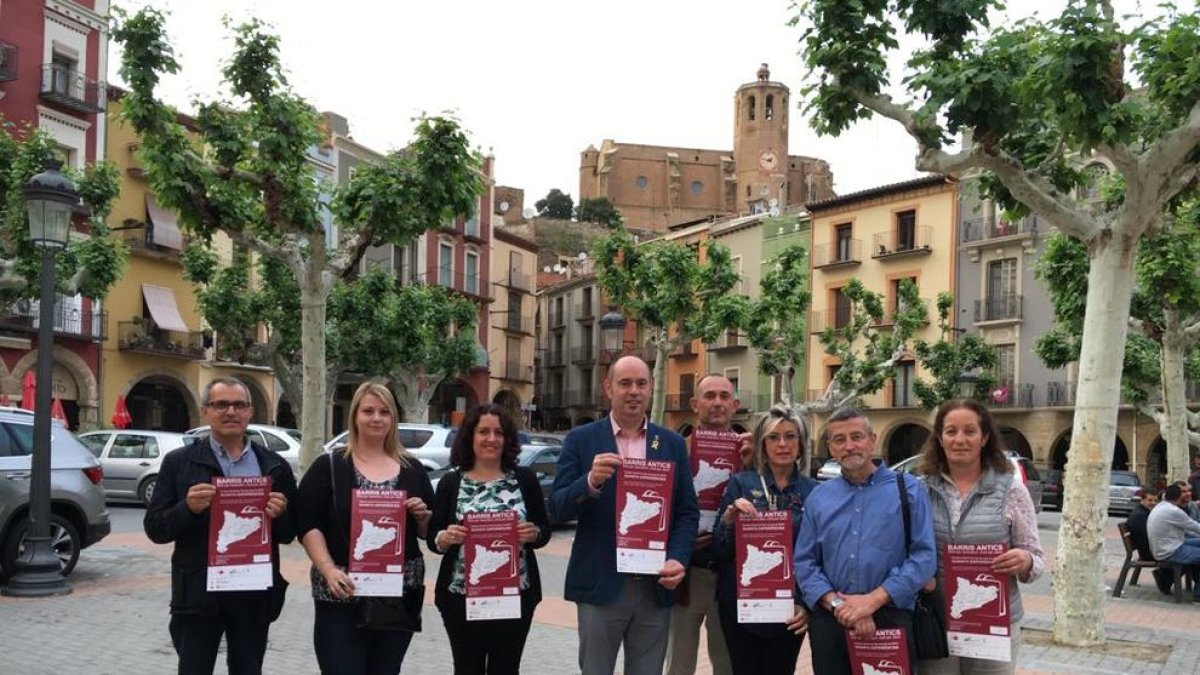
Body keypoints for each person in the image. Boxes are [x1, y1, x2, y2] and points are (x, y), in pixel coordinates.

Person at [549, 355, 700, 675]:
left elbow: (687, 512)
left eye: (641, 383)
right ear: (608, 388)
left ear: (651, 388)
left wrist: (678, 557)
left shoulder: (671, 444)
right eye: (625, 383)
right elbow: (557, 507)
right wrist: (590, 481)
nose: (634, 391)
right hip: (600, 584)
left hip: (655, 585)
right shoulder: (581, 439)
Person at [144, 377, 297, 675]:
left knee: (248, 669)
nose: (231, 412)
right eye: (221, 405)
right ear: (206, 411)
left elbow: (289, 533)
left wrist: (280, 515)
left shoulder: (274, 465)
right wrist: (187, 508)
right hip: (198, 593)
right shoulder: (179, 462)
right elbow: (155, 529)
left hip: (253, 592)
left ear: (250, 412)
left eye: (239, 405)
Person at [295, 381, 434, 674]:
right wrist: (328, 569)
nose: (376, 418)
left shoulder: (413, 469)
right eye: (368, 411)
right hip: (341, 590)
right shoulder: (329, 466)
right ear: (355, 416)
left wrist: (422, 517)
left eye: (384, 412)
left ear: (393, 418)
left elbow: (428, 533)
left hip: (397, 594)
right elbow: (307, 524)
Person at [793, 407, 936, 674]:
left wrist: (872, 601)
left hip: (890, 615)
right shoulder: (818, 498)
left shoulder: (909, 489)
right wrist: (842, 606)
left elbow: (924, 557)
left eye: (856, 437)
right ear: (830, 447)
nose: (849, 446)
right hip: (831, 620)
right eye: (839, 439)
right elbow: (804, 562)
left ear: (872, 440)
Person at [916, 399, 1045, 674]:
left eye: (970, 431)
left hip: (993, 626)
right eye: (951, 431)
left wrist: (1025, 561)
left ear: (985, 438)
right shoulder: (920, 491)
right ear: (939, 438)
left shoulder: (1011, 490)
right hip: (936, 620)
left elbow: (1036, 562)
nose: (959, 439)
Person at [428, 404, 552, 674]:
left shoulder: (524, 479)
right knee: (467, 668)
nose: (491, 439)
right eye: (483, 431)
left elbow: (544, 530)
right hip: (461, 597)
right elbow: (432, 535)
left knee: (506, 668)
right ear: (470, 436)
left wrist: (533, 533)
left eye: (499, 432)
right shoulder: (451, 482)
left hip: (514, 596)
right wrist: (445, 537)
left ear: (507, 439)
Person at [712, 405, 815, 673]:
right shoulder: (741, 484)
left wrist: (806, 604)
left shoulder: (814, 492)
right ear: (762, 444)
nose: (782, 444)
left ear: (801, 444)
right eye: (773, 437)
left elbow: (819, 556)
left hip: (790, 608)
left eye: (790, 436)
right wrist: (729, 522)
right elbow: (719, 550)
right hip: (742, 606)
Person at [664, 374, 738, 675]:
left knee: (728, 665)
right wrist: (679, 542)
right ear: (695, 404)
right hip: (687, 573)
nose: (717, 403)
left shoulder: (751, 453)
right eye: (709, 396)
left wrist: (750, 461)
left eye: (724, 396)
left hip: (729, 575)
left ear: (735, 405)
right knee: (679, 665)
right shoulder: (675, 451)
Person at [1147, 482, 1200, 601]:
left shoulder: (1161, 506)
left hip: (1167, 546)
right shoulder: (1174, 511)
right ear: (1179, 497)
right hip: (1170, 551)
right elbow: (1195, 527)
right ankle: (1199, 594)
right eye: (1184, 492)